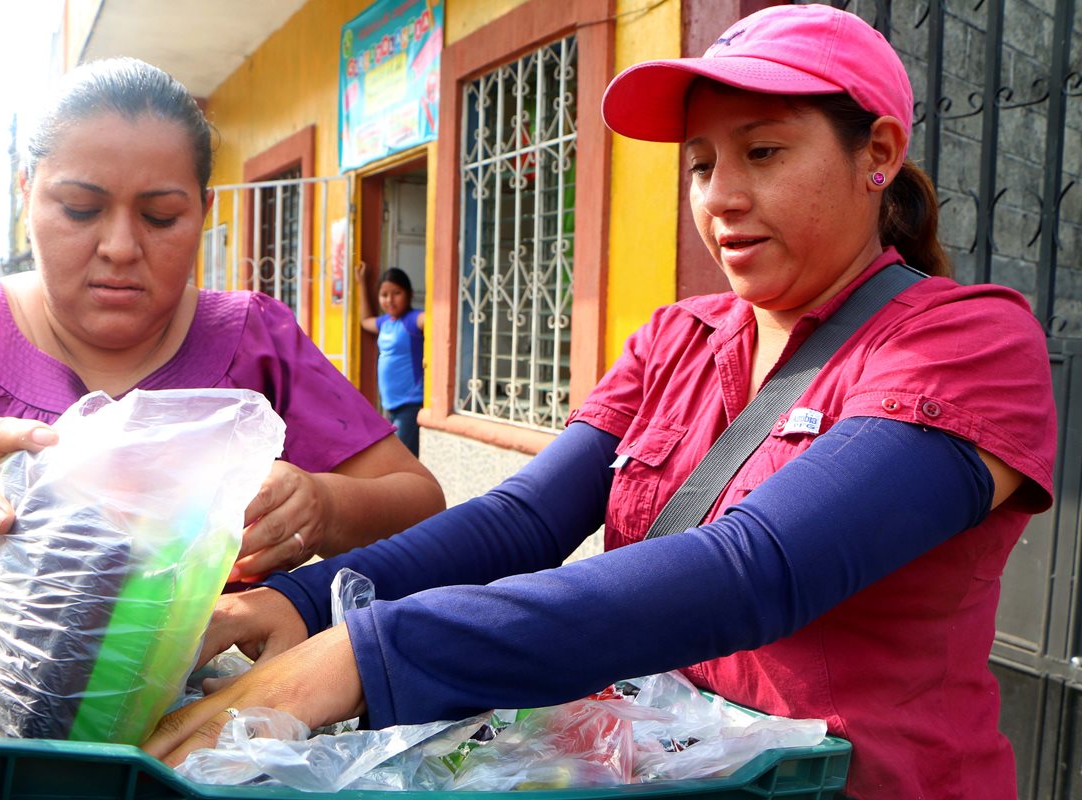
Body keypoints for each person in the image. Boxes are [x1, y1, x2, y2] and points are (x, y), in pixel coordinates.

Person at [145, 6, 1055, 797]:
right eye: (700, 164)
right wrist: (302, 606)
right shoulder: (678, 340)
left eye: (764, 151)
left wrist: (371, 654)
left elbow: (760, 569)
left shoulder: (967, 343)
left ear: (878, 155)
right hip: (667, 772)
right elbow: (521, 520)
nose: (722, 196)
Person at [0, 57, 445, 614]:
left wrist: (323, 504)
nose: (121, 247)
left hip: (220, 705)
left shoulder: (255, 342)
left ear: (203, 211)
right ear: (27, 193)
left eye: (160, 217)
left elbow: (421, 504)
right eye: (81, 209)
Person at [355, 262, 425, 456]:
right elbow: (364, 321)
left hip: (410, 405)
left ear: (409, 294)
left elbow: (430, 319)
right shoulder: (385, 323)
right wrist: (362, 283)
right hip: (390, 406)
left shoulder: (412, 320)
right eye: (384, 295)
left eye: (396, 293)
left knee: (398, 459)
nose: (390, 300)